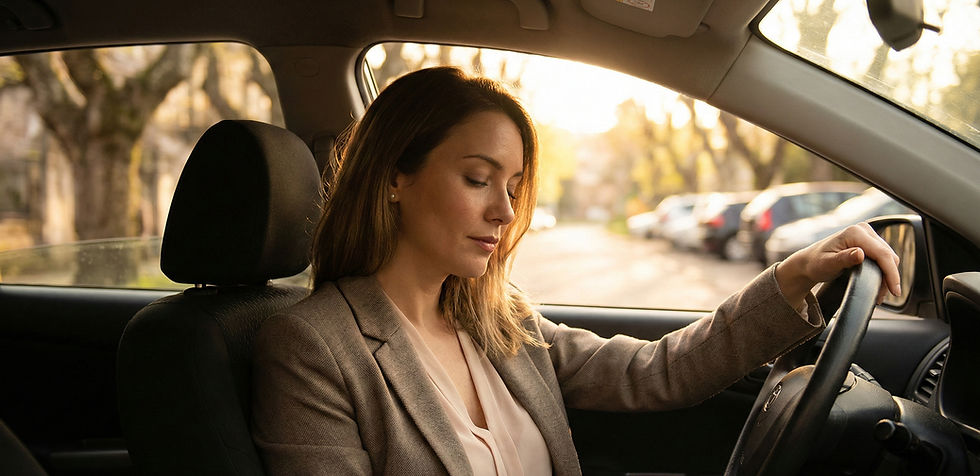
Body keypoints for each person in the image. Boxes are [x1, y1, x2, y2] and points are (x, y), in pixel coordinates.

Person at [250, 67, 901, 475]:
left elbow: (657, 373)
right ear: (397, 177)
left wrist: (796, 275)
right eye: (477, 179)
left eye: (513, 185)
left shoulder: (497, 322)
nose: (504, 210)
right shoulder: (312, 349)